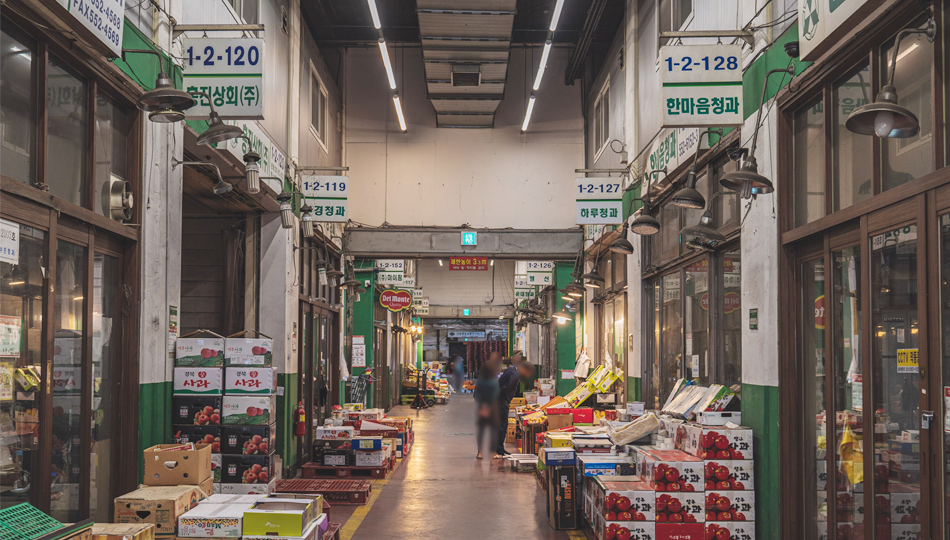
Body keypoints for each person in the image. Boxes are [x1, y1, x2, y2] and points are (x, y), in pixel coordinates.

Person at [495, 356, 534, 458]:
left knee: (500, 425)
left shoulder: (511, 369)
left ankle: (499, 448)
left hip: (501, 401)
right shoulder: (515, 375)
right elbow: (506, 387)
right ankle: (499, 450)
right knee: (503, 425)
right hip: (502, 402)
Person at [473, 362, 500, 459]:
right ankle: (492, 453)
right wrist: (488, 407)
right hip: (492, 409)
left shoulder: (480, 382)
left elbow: (475, 396)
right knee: (493, 430)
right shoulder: (494, 382)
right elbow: (494, 396)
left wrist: (482, 406)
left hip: (480, 408)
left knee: (481, 430)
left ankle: (480, 453)